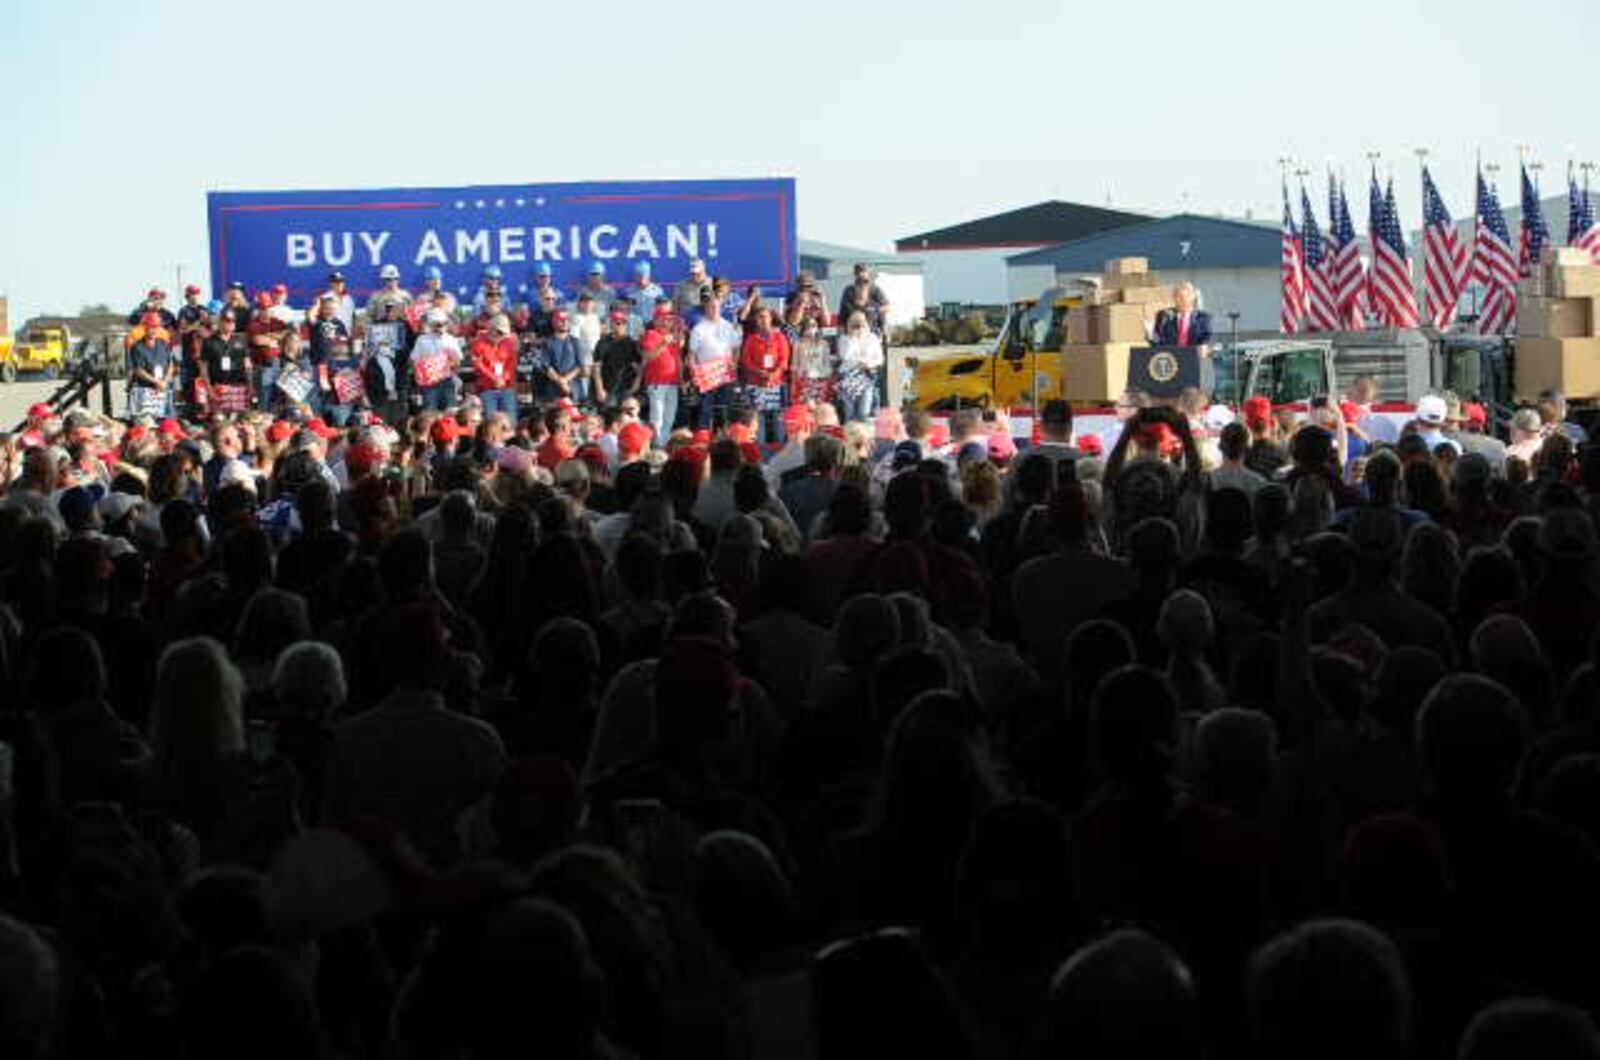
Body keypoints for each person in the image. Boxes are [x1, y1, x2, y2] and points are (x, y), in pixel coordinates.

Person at [689, 293, 741, 430]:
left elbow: (736, 348)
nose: (713, 309)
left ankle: (726, 436)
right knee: (706, 409)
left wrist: (734, 364)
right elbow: (692, 354)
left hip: (725, 374)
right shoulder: (698, 328)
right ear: (705, 309)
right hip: (706, 376)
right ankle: (704, 438)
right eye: (710, 307)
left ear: (721, 308)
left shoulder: (729, 327)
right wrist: (694, 373)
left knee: (726, 408)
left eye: (716, 307)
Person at [741, 307, 791, 444]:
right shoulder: (751, 339)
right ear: (756, 321)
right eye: (760, 317)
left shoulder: (780, 337)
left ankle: (780, 450)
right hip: (756, 384)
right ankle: (759, 452)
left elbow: (784, 360)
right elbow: (746, 360)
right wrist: (759, 372)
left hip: (776, 383)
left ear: (771, 318)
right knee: (758, 419)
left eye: (765, 317)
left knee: (778, 418)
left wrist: (773, 374)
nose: (763, 320)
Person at [411, 309, 464, 411]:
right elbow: (415, 361)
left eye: (443, 324)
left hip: (447, 381)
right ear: (431, 324)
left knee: (450, 411)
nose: (440, 327)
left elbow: (458, 362)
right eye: (437, 324)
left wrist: (448, 365)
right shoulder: (422, 340)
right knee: (430, 412)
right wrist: (420, 376)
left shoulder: (451, 340)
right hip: (429, 383)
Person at [471, 313, 520, 421]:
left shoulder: (509, 342)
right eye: (499, 332)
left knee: (510, 419)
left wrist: (504, 378)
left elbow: (512, 363)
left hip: (507, 386)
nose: (500, 335)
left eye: (502, 333)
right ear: (491, 329)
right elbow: (478, 365)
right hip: (487, 387)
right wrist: (494, 378)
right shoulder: (478, 342)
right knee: (490, 420)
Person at [127, 313, 175, 418]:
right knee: (147, 422)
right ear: (144, 327)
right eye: (151, 327)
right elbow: (138, 370)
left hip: (163, 389)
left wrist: (165, 381)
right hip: (145, 390)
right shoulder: (137, 347)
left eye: (156, 327)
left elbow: (170, 364)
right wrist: (156, 382)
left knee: (168, 419)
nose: (154, 330)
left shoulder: (163, 344)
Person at [593, 311, 641, 409]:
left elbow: (638, 366)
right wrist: (599, 388)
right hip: (608, 387)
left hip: (626, 387)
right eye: (615, 322)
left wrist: (636, 384)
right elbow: (596, 367)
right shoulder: (603, 342)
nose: (618, 325)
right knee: (609, 416)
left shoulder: (630, 343)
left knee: (626, 414)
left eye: (622, 323)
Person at [837, 262, 890, 337]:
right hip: (852, 331)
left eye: (864, 271)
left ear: (868, 273)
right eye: (858, 272)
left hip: (872, 331)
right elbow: (842, 313)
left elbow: (887, 307)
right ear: (855, 274)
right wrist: (841, 333)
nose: (861, 274)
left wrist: (874, 309)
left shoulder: (876, 290)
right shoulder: (848, 291)